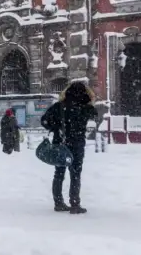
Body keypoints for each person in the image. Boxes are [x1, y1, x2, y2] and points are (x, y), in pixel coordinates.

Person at [40, 82, 96, 214]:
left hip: (61, 143)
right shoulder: (86, 108)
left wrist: (55, 128)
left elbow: (44, 121)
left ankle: (58, 203)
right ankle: (75, 203)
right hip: (77, 144)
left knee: (59, 173)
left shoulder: (59, 107)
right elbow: (94, 113)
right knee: (75, 174)